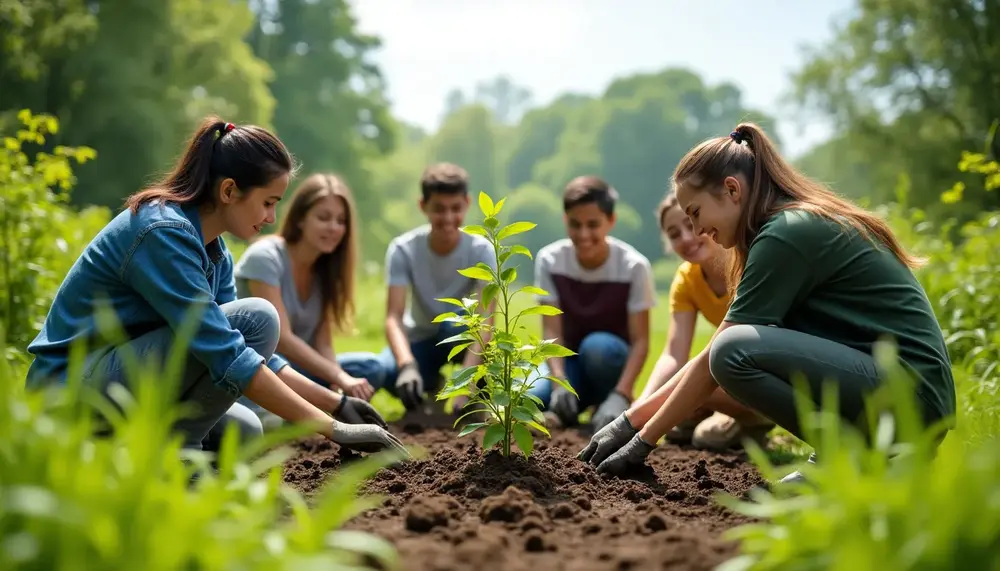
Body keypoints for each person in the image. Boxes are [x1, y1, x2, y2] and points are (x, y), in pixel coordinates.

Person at [579, 122, 955, 484]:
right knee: (730, 349)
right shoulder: (781, 229)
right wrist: (631, 421)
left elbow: (714, 357)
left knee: (732, 351)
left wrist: (641, 437)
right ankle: (841, 456)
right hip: (897, 389)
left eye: (695, 214)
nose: (696, 231)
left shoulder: (786, 233)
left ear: (731, 189)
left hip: (913, 396)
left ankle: (853, 455)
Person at [24, 117, 407, 457]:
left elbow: (248, 350)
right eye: (268, 202)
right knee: (260, 316)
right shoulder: (162, 233)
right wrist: (335, 430)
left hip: (119, 376)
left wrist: (337, 404)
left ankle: (134, 456)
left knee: (244, 430)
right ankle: (178, 455)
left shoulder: (214, 250)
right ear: (228, 191)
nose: (272, 217)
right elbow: (228, 351)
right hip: (69, 389)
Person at [232, 173, 385, 426]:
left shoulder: (325, 271)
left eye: (340, 221)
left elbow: (323, 342)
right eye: (324, 218)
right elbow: (284, 340)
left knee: (370, 368)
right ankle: (292, 411)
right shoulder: (265, 257)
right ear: (301, 218)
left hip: (300, 370)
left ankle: (312, 405)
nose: (333, 228)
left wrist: (339, 383)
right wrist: (337, 376)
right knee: (269, 421)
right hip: (263, 368)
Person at [640, 193, 774, 451]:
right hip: (732, 372)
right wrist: (640, 407)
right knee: (681, 417)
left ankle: (757, 420)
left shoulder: (746, 263)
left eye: (690, 225)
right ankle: (722, 415)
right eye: (674, 233)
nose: (686, 238)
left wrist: (645, 416)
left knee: (702, 427)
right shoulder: (686, 280)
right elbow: (673, 355)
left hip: (764, 376)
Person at [529, 176, 656, 432]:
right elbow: (552, 332)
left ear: (611, 221)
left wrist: (622, 392)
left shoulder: (633, 266)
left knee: (597, 346)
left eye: (593, 225)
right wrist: (558, 383)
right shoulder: (550, 260)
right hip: (570, 361)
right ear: (565, 220)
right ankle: (570, 405)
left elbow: (641, 340)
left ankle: (608, 402)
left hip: (609, 358)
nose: (583, 234)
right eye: (575, 224)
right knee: (531, 397)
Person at [377, 163, 495, 415]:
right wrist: (406, 365)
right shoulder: (404, 249)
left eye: (456, 209)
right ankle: (431, 385)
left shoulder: (481, 250)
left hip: (462, 334)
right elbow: (393, 317)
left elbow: (487, 318)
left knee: (454, 324)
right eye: (439, 209)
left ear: (467, 203)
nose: (448, 218)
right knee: (386, 371)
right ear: (423, 206)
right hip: (421, 337)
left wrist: (468, 382)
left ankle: (475, 394)